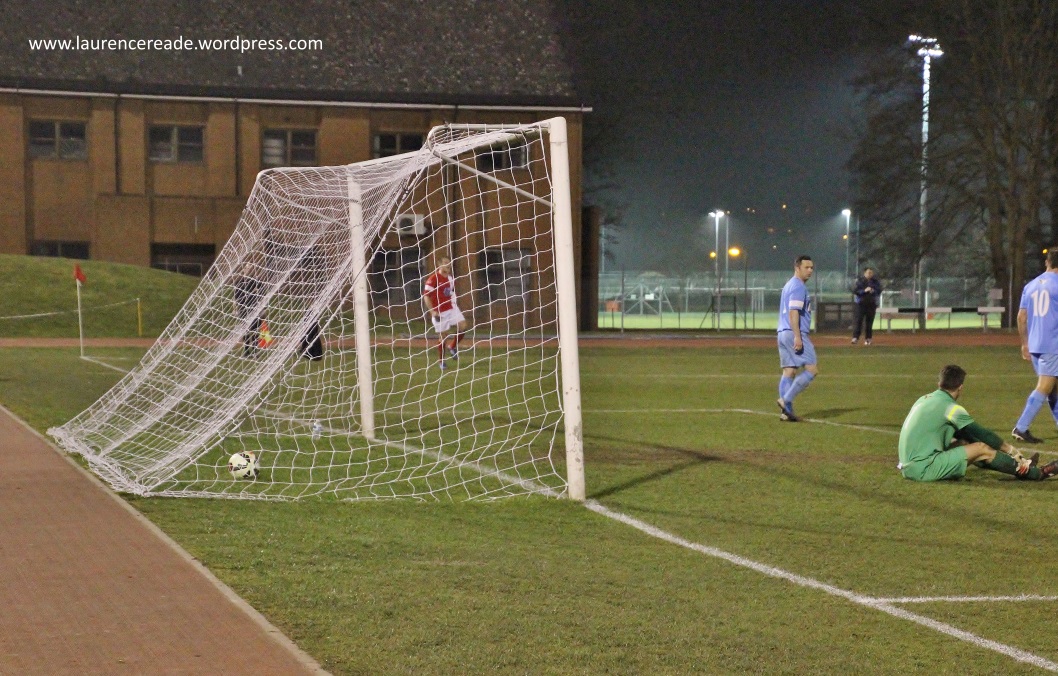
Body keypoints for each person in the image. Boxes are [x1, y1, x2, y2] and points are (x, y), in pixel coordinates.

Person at [898, 364, 1058, 482]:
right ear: (960, 387)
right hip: (923, 469)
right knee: (981, 448)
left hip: (908, 466)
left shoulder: (924, 399)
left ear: (939, 383)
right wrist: (1010, 449)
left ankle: (1019, 466)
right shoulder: (951, 408)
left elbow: (967, 435)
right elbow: (981, 433)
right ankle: (1037, 473)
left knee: (965, 443)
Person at [1012, 249, 1058, 443]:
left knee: (1054, 388)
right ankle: (1021, 427)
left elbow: (1021, 317)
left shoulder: (1030, 285)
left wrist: (1025, 343)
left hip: (1036, 344)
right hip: (1053, 344)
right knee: (1045, 386)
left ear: (1047, 262)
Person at [776, 255, 817, 422]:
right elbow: (794, 312)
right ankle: (786, 400)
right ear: (797, 268)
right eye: (806, 267)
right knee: (812, 370)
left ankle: (786, 413)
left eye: (811, 268)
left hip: (782, 333)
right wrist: (798, 337)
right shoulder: (798, 286)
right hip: (794, 333)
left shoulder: (789, 285)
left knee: (789, 371)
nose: (810, 270)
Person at [423, 256, 467, 370]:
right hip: (439, 312)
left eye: (449, 263)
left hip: (451, 308)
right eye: (446, 263)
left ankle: (452, 346)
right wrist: (432, 311)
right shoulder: (433, 279)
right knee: (443, 336)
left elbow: (450, 292)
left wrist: (453, 302)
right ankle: (441, 361)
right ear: (439, 265)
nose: (448, 265)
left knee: (463, 325)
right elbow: (426, 296)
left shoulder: (450, 279)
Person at [233, 262, 264, 357]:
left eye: (251, 268)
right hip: (243, 309)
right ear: (244, 270)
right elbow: (235, 297)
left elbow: (262, 295)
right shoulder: (239, 282)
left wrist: (263, 308)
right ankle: (246, 350)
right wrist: (235, 308)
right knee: (245, 330)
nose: (248, 269)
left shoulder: (256, 282)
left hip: (254, 308)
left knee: (255, 330)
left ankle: (254, 350)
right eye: (247, 268)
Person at [851, 267, 881, 345]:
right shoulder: (860, 281)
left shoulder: (875, 282)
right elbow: (855, 291)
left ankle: (868, 339)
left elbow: (879, 290)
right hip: (860, 304)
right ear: (865, 273)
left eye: (871, 273)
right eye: (868, 272)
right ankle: (855, 338)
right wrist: (864, 291)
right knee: (858, 321)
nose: (870, 274)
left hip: (871, 304)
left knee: (869, 322)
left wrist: (873, 291)